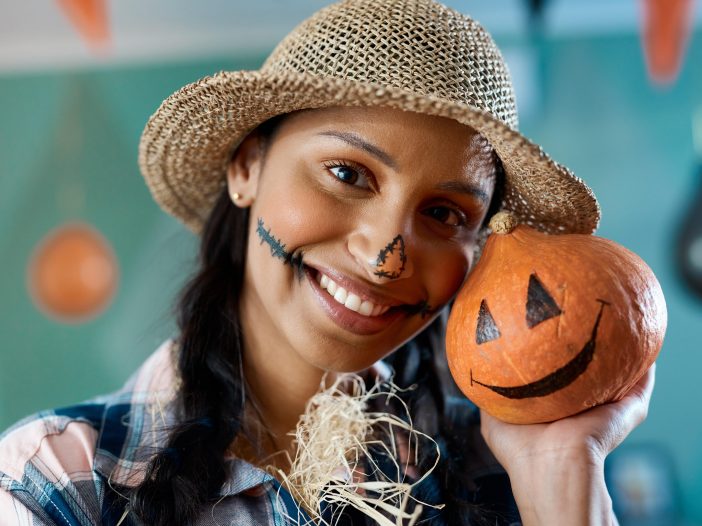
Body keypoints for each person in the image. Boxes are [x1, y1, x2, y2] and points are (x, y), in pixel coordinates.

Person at [0, 0, 655, 524]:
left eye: (445, 215)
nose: (383, 256)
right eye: (348, 173)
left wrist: (563, 472)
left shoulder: (507, 471)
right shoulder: (62, 481)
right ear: (247, 165)